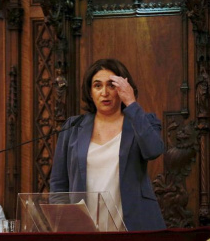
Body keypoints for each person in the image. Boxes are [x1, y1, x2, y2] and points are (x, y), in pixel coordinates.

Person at [50, 58, 166, 231]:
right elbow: (59, 184)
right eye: (97, 86)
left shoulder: (143, 122)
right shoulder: (73, 127)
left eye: (112, 85)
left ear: (123, 89)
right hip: (84, 230)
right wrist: (65, 221)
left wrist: (131, 103)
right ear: (90, 92)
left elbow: (154, 150)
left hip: (135, 227)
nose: (104, 92)